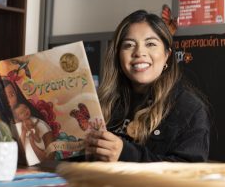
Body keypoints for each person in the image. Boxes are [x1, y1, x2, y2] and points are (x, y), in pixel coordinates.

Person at [85, 10, 211, 162]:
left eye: (150, 44)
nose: (139, 52)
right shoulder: (101, 102)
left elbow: (188, 174)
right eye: (129, 45)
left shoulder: (190, 109)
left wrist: (126, 154)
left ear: (167, 55)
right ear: (118, 56)